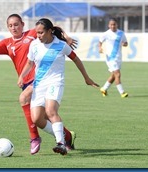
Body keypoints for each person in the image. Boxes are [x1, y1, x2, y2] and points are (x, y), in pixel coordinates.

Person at [0, 14, 77, 155]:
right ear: (7, 27)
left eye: (16, 24)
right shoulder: (6, 43)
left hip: (39, 79)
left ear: (22, 24)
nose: (14, 27)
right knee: (43, 117)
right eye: (10, 25)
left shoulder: (33, 34)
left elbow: (53, 28)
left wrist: (66, 37)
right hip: (25, 82)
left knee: (23, 98)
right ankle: (67, 136)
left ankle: (34, 138)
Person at [17, 18, 99, 155]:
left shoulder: (61, 45)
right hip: (39, 85)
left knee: (50, 111)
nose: (38, 35)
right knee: (37, 119)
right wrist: (22, 76)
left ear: (50, 31)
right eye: (37, 33)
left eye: (41, 32)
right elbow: (30, 64)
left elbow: (76, 59)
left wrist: (86, 77)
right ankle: (64, 136)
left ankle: (60, 143)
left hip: (55, 82)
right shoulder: (34, 45)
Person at [99, 17, 128, 98]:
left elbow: (126, 43)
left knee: (113, 75)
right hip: (110, 57)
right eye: (111, 25)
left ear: (117, 25)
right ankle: (122, 92)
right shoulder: (106, 34)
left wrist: (124, 44)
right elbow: (100, 41)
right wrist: (100, 48)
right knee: (117, 74)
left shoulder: (121, 33)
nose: (112, 26)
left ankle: (104, 88)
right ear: (108, 25)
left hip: (118, 57)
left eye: (114, 24)